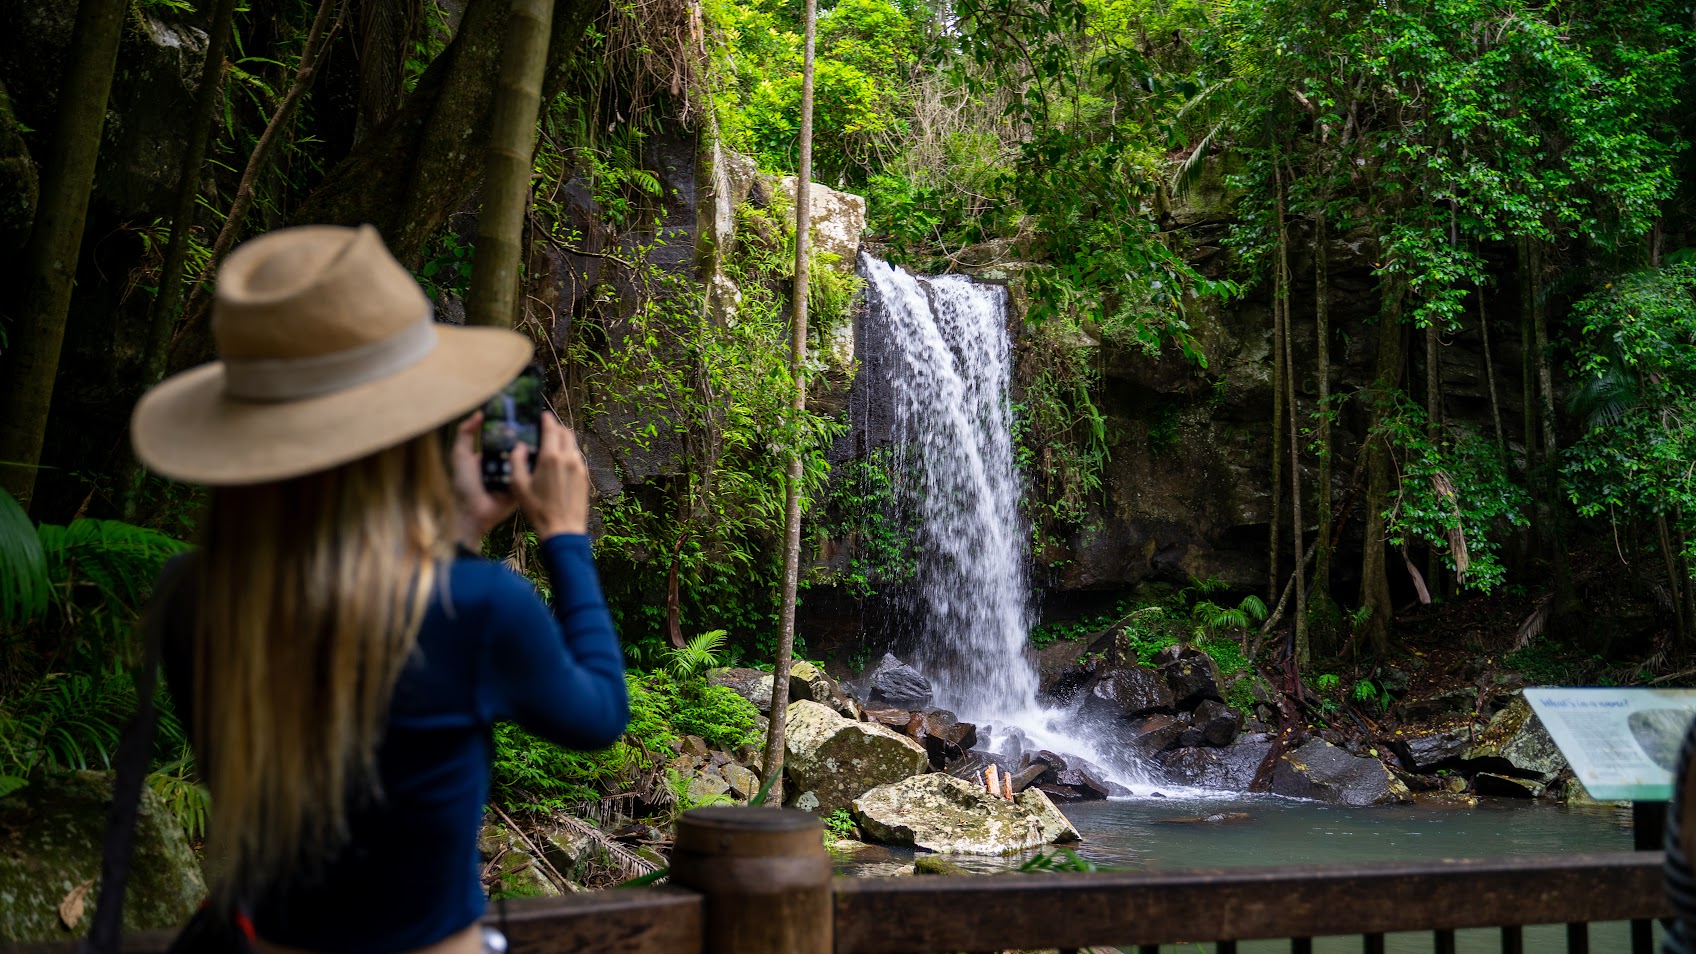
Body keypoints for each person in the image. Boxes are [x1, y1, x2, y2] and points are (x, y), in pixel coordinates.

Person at [129, 224, 628, 954]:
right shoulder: (481, 606)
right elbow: (598, 715)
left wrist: (450, 539)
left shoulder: (191, 594)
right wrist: (563, 536)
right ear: (406, 422)